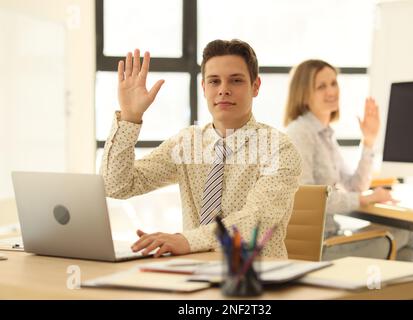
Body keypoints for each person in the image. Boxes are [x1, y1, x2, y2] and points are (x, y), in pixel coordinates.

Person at [101, 39, 302, 259]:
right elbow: (116, 186)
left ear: (255, 86)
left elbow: (256, 220)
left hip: (255, 279)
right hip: (192, 274)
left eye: (236, 81)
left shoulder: (279, 149)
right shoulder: (187, 143)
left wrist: (187, 240)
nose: (223, 90)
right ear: (204, 88)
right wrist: (130, 117)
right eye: (214, 81)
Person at [283, 59, 412, 260]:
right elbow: (309, 199)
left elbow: (354, 185)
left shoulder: (325, 135)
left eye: (334, 83)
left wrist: (368, 141)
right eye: (321, 86)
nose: (331, 91)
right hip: (320, 248)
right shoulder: (300, 133)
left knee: (406, 243)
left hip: (333, 237)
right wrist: (366, 199)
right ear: (304, 93)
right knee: (407, 233)